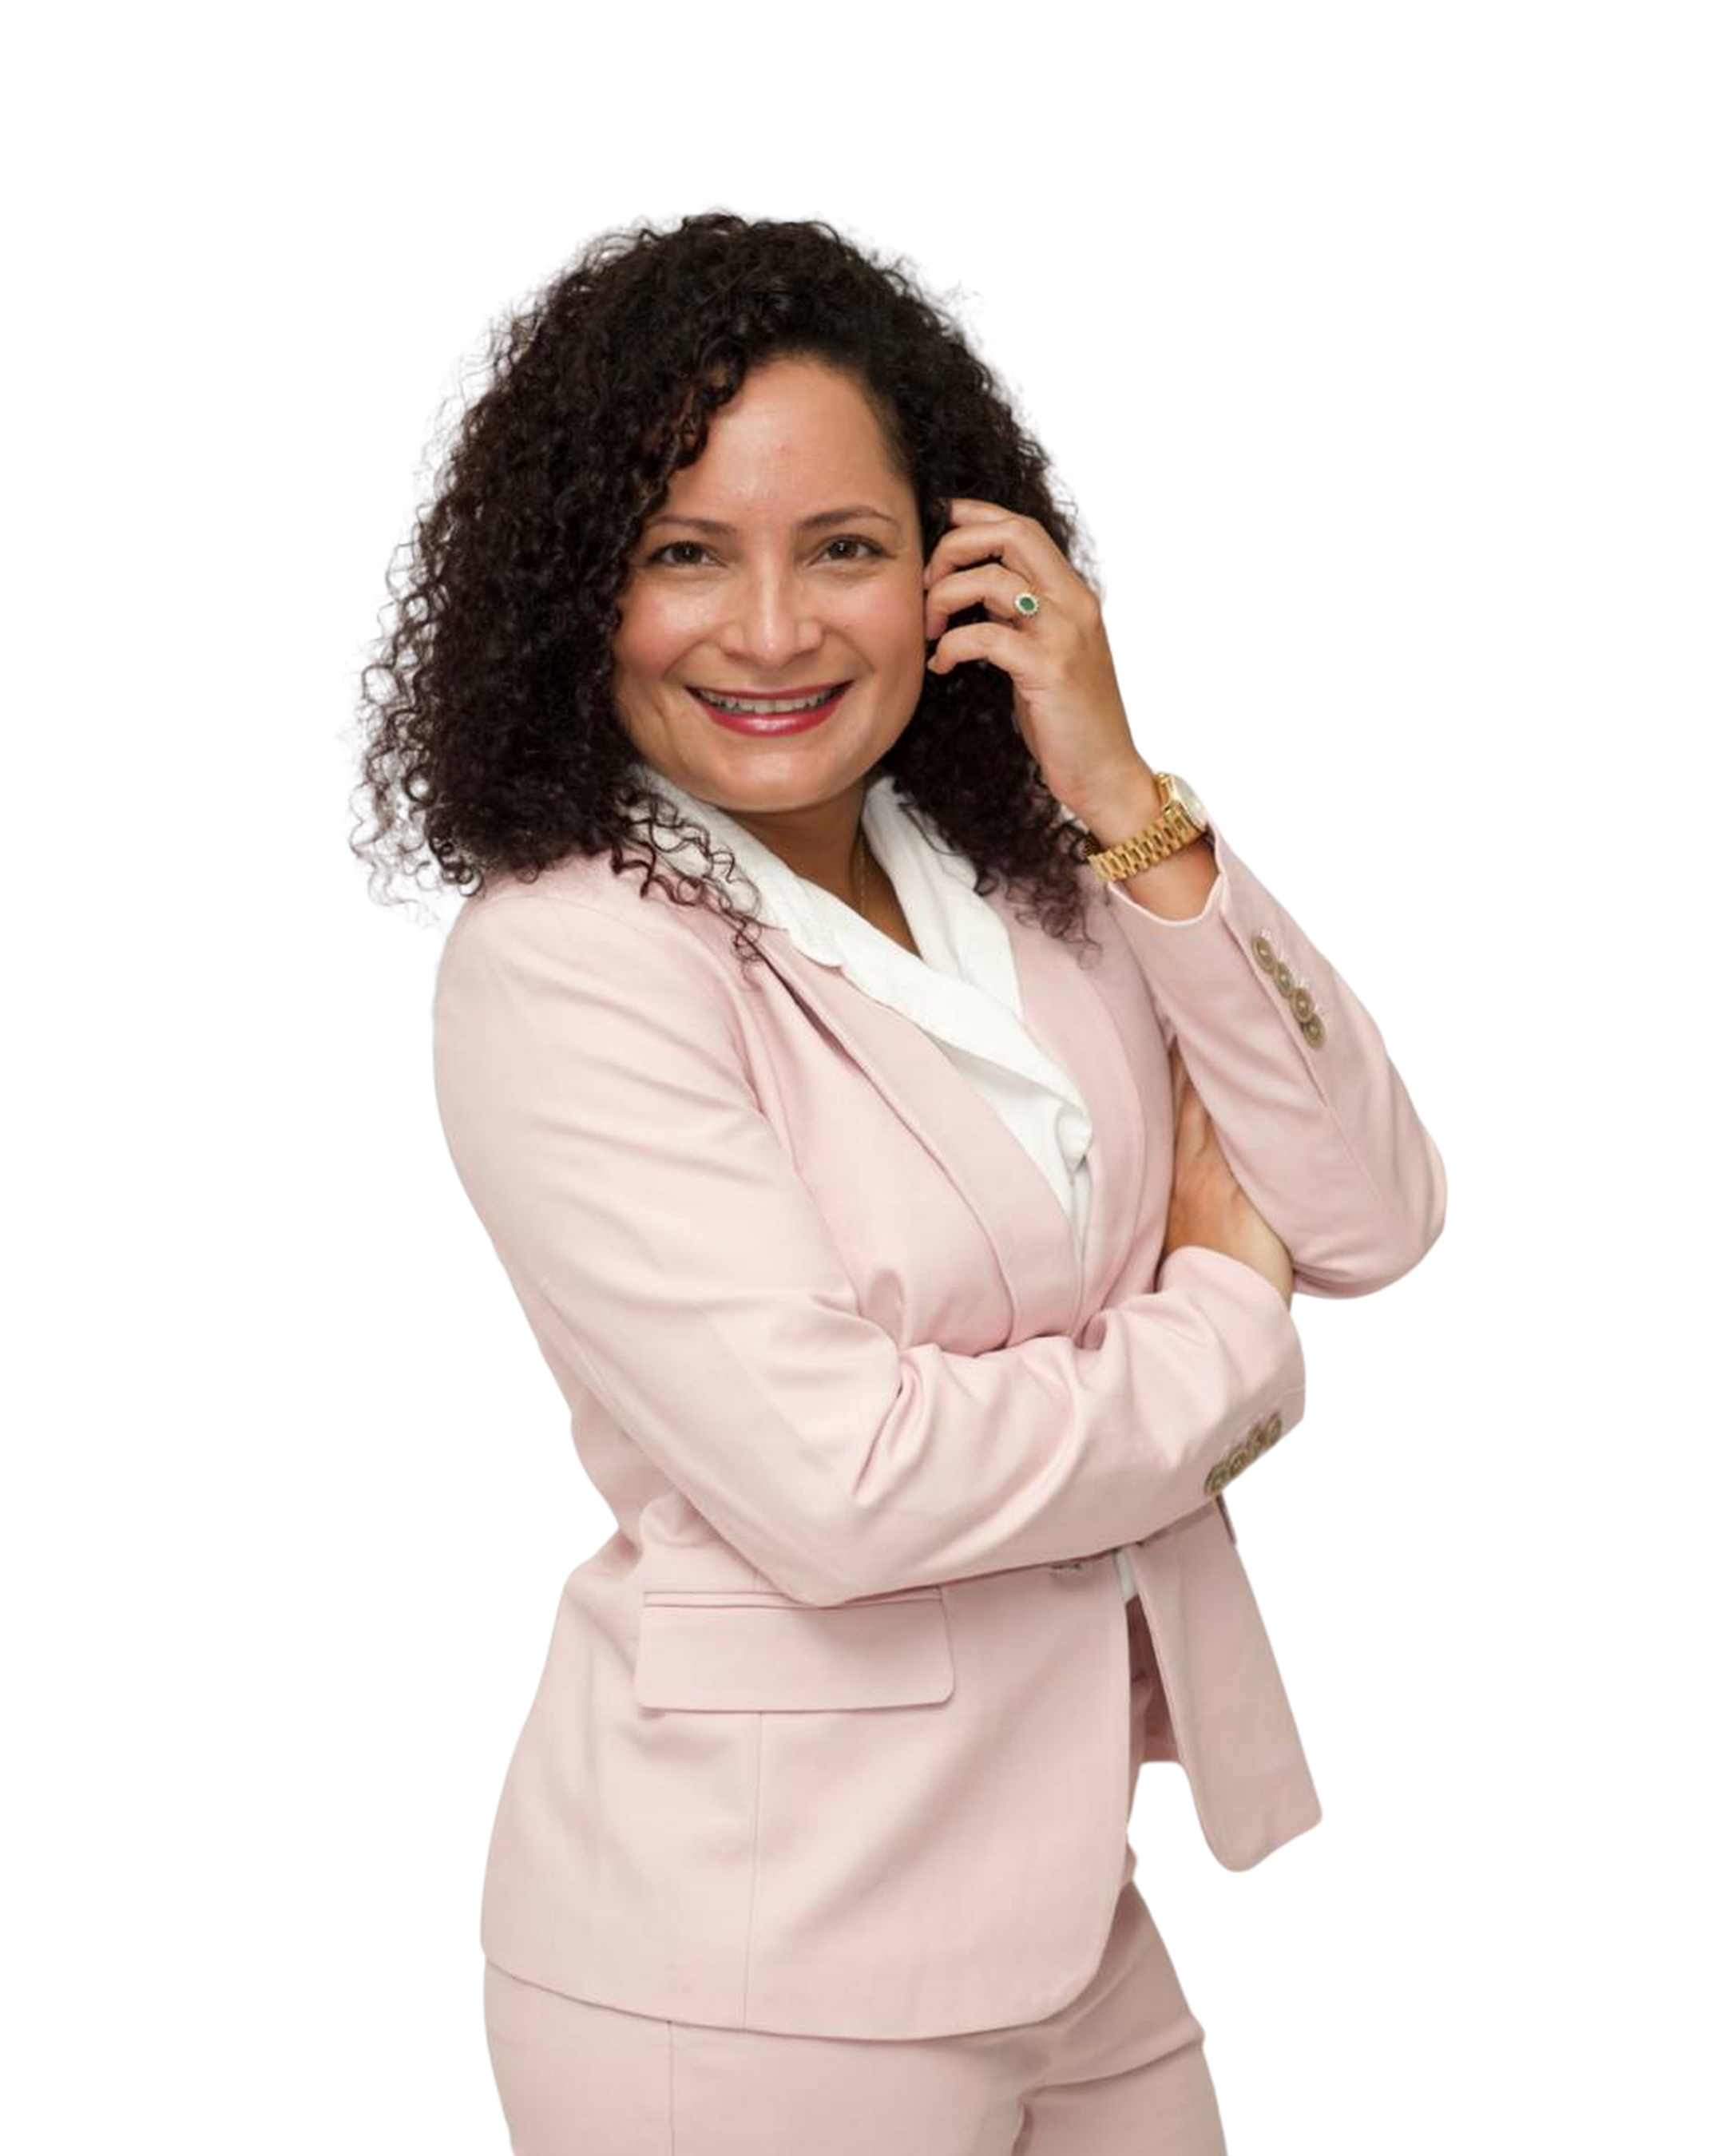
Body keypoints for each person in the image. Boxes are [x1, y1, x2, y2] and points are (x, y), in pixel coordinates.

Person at [411, 210, 1448, 2154]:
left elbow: (1375, 1211)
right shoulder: (560, 959)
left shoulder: (1039, 875)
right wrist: (1225, 1315)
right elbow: (849, 1481)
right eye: (684, 557)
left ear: (958, 565)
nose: (778, 631)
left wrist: (1124, 788)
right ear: (578, 594)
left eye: (847, 551)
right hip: (751, 1963)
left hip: (1072, 1927)